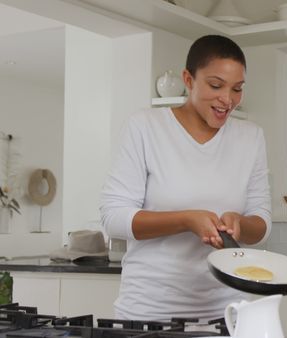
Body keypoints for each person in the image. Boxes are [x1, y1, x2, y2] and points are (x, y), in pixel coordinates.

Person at [100, 35, 271, 324]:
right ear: (188, 79)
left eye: (237, 89)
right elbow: (113, 217)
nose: (227, 100)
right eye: (216, 85)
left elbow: (262, 221)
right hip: (149, 313)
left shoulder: (250, 137)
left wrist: (241, 225)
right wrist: (185, 220)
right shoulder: (145, 127)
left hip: (228, 313)